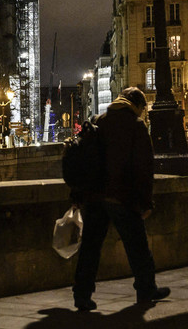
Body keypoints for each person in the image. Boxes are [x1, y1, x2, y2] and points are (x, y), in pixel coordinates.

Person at [71, 86, 170, 311]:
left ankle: (82, 294)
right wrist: (146, 202)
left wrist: (79, 193)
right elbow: (144, 169)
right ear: (138, 106)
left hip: (95, 196)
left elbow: (85, 161)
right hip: (122, 196)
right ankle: (146, 289)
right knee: (137, 247)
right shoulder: (136, 126)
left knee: (90, 247)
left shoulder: (99, 121)